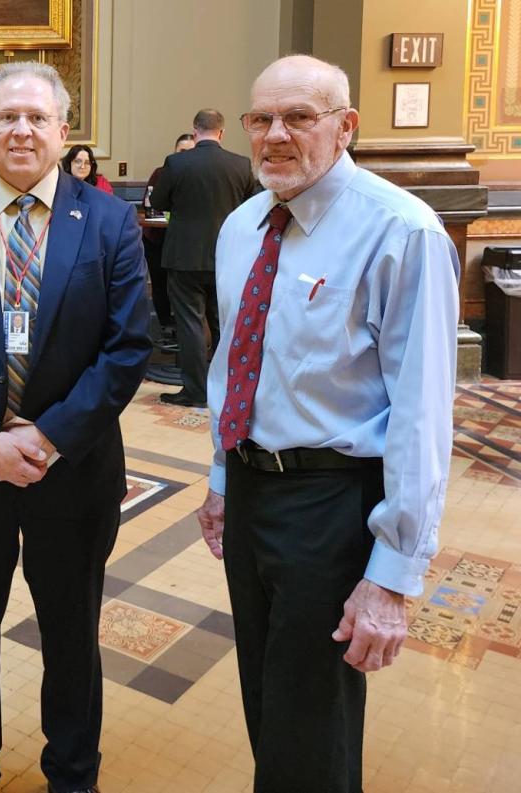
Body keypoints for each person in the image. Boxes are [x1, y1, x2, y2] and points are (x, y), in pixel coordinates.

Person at [196, 55, 459, 793]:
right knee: (269, 700)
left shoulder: (401, 232)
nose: (276, 135)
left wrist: (393, 576)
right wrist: (221, 478)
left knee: (313, 723)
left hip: (332, 504)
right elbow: (231, 367)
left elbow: (420, 416)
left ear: (344, 128)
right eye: (261, 120)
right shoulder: (244, 225)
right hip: (252, 493)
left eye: (299, 118)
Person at [0, 61, 151, 793]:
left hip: (70, 472)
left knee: (72, 636)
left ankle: (73, 773)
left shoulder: (107, 220)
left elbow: (127, 346)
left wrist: (43, 439)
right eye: (7, 116)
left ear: (62, 130)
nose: (21, 129)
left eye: (37, 118)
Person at [151, 108, 259, 407]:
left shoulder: (176, 163)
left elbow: (158, 201)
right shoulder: (240, 165)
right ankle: (228, 387)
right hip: (227, 256)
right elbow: (253, 206)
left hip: (184, 256)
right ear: (221, 132)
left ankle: (195, 390)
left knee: (190, 325)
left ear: (195, 131)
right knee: (223, 322)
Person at [142, 132, 196, 344]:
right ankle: (165, 326)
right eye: (182, 151)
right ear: (174, 152)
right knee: (160, 283)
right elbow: (150, 201)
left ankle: (184, 329)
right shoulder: (162, 172)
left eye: (190, 152)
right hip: (158, 237)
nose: (185, 156)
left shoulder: (198, 175)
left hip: (186, 242)